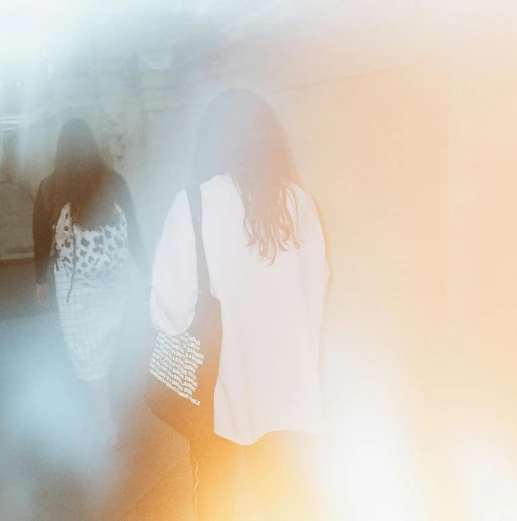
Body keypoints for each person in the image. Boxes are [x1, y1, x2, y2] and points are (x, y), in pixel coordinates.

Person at [150, 90, 329, 520]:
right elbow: (316, 292)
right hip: (292, 389)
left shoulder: (194, 205)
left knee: (216, 499)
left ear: (212, 141)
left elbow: (168, 313)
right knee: (284, 501)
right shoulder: (299, 203)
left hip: (224, 392)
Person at [33, 118, 148, 447]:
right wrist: (146, 269)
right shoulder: (114, 182)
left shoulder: (49, 188)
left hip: (75, 289)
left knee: (88, 354)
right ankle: (118, 399)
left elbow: (42, 238)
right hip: (114, 282)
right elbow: (134, 231)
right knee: (112, 340)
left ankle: (108, 422)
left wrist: (40, 280)